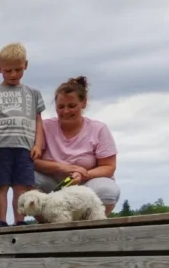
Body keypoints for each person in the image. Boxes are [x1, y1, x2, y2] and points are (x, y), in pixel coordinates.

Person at [31, 76, 120, 215]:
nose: (66, 111)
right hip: (54, 186)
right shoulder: (44, 127)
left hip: (86, 185)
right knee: (26, 176)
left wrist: (83, 174)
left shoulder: (99, 129)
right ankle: (49, 220)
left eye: (71, 106)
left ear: (83, 103)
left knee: (107, 191)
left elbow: (109, 167)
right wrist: (61, 167)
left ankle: (89, 223)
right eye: (61, 107)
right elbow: (33, 161)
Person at [0, 43, 46, 227]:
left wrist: (37, 145)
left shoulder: (33, 94)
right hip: (0, 147)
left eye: (18, 70)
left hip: (24, 147)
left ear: (25, 66)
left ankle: (19, 220)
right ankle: (1, 221)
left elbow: (38, 121)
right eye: (8, 70)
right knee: (1, 185)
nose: (13, 75)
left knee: (22, 186)